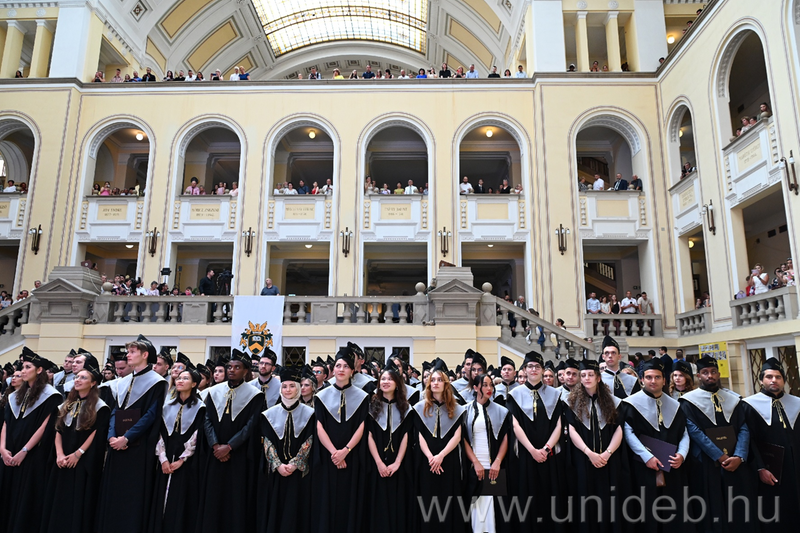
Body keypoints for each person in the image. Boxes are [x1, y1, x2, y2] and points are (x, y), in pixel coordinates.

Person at [96, 335, 167, 533]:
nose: (128, 355)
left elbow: (151, 415)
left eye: (132, 352)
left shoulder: (157, 382)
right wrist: (111, 436)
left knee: (132, 493)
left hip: (138, 447)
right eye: (128, 351)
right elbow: (115, 411)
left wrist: (127, 438)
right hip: (116, 445)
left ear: (145, 355)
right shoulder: (122, 382)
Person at [679, 356, 753, 533]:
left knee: (738, 507)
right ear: (699, 376)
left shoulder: (734, 399)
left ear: (718, 374)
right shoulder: (688, 402)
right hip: (705, 463)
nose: (710, 376)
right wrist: (719, 455)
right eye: (705, 373)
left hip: (735, 462)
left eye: (713, 372)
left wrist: (740, 455)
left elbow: (744, 427)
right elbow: (694, 431)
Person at [42, 352, 109, 532]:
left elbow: (95, 433)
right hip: (62, 460)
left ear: (93, 383)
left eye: (83, 377)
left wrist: (77, 454)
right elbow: (58, 429)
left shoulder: (100, 407)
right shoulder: (66, 404)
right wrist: (59, 454)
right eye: (77, 377)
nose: (78, 380)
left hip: (80, 462)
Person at [623, 358, 690, 533]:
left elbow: (684, 433)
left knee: (673, 510)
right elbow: (628, 433)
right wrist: (647, 456)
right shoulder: (631, 405)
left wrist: (682, 454)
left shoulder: (675, 405)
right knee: (646, 509)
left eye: (657, 377)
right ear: (642, 380)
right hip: (643, 467)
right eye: (649, 377)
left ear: (664, 380)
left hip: (672, 466)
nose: (653, 381)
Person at [199, 349, 263, 533]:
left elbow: (251, 425)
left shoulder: (255, 395)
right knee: (214, 496)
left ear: (246, 371)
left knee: (236, 498)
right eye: (229, 367)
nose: (232, 370)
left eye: (237, 367)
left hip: (239, 455)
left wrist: (229, 447)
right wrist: (215, 445)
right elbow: (207, 419)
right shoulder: (214, 392)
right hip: (215, 454)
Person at [0, 348, 61, 533]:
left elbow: (44, 427)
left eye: (28, 367)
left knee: (24, 499)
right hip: (9, 454)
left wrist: (24, 451)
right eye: (22, 367)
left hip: (31, 456)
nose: (23, 371)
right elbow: (6, 423)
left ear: (39, 370)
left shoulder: (51, 396)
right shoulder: (16, 395)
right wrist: (2, 449)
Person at [506, 350, 565, 530]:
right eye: (530, 366)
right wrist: (532, 450)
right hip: (526, 454)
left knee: (549, 494)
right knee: (527, 495)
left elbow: (559, 425)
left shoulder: (554, 394)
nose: (533, 369)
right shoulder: (514, 394)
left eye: (537, 366)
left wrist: (546, 449)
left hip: (549, 455)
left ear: (543, 370)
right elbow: (515, 425)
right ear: (524, 370)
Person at [564, 358, 625, 533]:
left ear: (598, 378)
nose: (587, 378)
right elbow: (572, 430)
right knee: (586, 499)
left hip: (609, 460)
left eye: (590, 375)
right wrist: (589, 453)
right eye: (583, 375)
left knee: (608, 500)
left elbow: (619, 430)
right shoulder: (571, 403)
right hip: (584, 460)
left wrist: (607, 453)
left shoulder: (614, 402)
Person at [313, 347, 369, 533]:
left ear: (352, 370)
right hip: (329, 458)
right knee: (327, 500)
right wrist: (334, 453)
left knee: (349, 500)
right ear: (333, 369)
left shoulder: (362, 397)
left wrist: (345, 451)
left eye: (346, 366)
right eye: (338, 366)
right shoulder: (321, 396)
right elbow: (319, 426)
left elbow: (362, 426)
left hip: (352, 457)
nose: (341, 369)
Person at [742, 357, 800, 528]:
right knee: (775, 512)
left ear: (784, 381)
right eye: (769, 377)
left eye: (778, 377)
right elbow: (749, 441)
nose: (774, 380)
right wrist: (760, 468)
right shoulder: (749, 406)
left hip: (796, 467)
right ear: (761, 380)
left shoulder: (796, 403)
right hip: (770, 470)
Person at [257, 366, 315, 533]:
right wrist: (278, 465)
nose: (288, 390)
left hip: (299, 474)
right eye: (284, 386)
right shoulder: (269, 414)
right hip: (276, 474)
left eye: (292, 386)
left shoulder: (310, 414)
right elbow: (267, 442)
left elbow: (310, 440)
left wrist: (295, 464)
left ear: (298, 388)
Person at [413, 358, 467, 532]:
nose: (435, 383)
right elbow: (420, 435)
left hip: (448, 460)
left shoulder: (456, 408)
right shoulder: (420, 407)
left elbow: (457, 436)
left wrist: (441, 456)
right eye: (432, 380)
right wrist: (431, 457)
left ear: (446, 384)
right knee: (427, 501)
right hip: (427, 462)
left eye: (439, 380)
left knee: (448, 499)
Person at [151, 360, 205, 533]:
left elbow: (197, 435)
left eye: (185, 378)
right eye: (179, 378)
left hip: (186, 463)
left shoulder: (200, 408)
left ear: (194, 384)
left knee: (181, 498)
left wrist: (182, 459)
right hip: (165, 461)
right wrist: (163, 458)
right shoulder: (167, 406)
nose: (180, 381)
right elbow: (159, 433)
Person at [366, 362, 412, 533]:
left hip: (398, 467)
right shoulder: (372, 406)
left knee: (397, 505)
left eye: (390, 379)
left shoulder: (406, 408)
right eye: (383, 379)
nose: (385, 382)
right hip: (376, 466)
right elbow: (369, 435)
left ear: (397, 384)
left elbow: (406, 435)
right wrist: (379, 463)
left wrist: (397, 462)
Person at [463, 372, 511, 533]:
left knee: (493, 509)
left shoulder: (501, 411)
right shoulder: (465, 410)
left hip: (494, 465)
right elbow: (463, 439)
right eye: (484, 385)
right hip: (473, 465)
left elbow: (505, 438)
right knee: (475, 507)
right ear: (476, 388)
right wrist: (475, 462)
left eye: (491, 384)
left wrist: (497, 461)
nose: (489, 388)